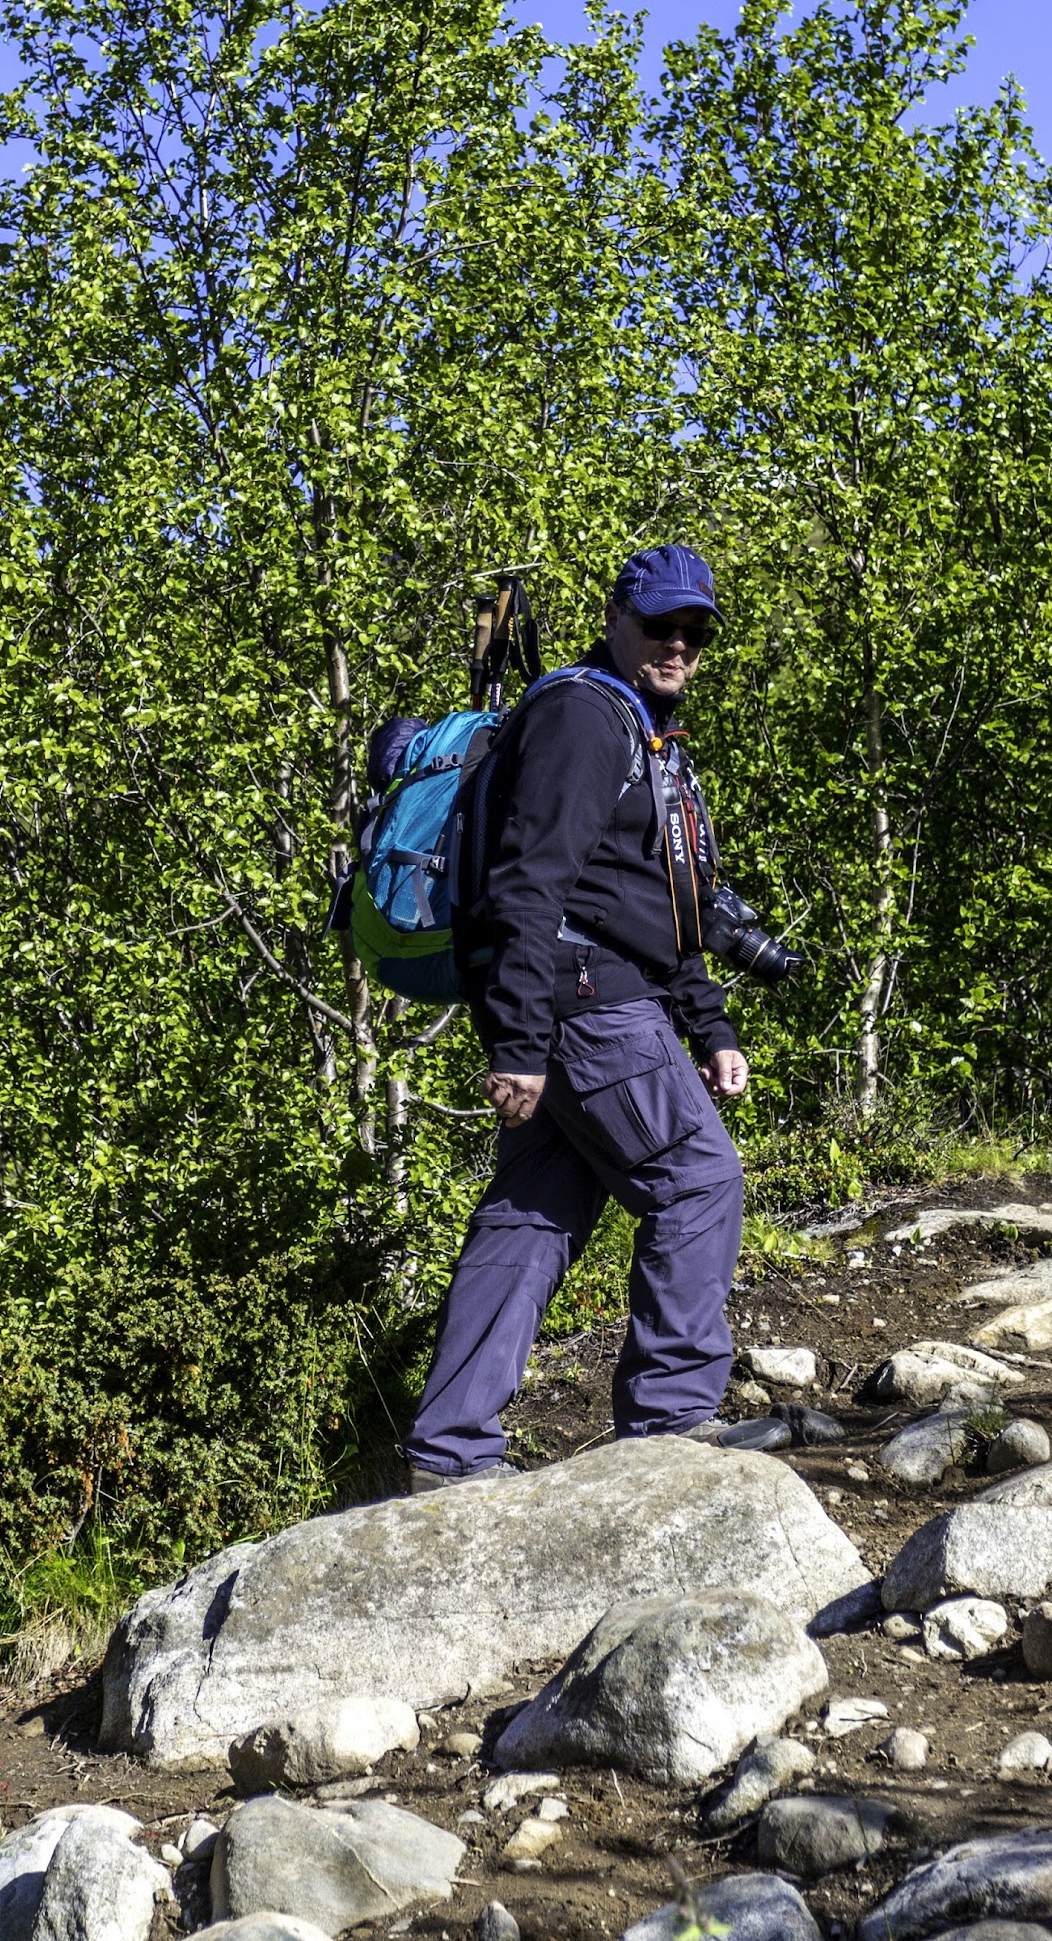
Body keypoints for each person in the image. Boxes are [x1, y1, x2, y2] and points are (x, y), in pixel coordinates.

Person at [399, 545, 752, 1491]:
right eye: (660, 626)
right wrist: (515, 1043)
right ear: (618, 622)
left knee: (533, 1218)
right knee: (698, 1184)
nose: (678, 643)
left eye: (696, 631)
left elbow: (659, 901)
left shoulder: (642, 731)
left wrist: (709, 1025)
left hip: (585, 998)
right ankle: (671, 1427)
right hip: (583, 1002)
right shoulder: (581, 719)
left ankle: (450, 1450)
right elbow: (528, 885)